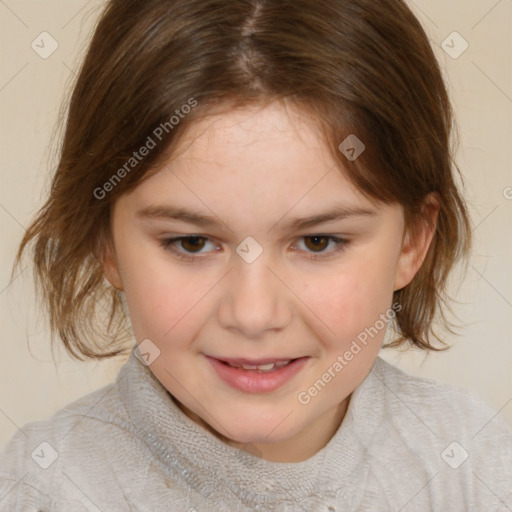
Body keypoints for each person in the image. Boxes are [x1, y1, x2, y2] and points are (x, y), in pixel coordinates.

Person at [1, 0, 511, 510]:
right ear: (105, 242)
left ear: (411, 241)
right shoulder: (44, 487)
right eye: (192, 243)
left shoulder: (474, 465)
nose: (252, 314)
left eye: (318, 242)